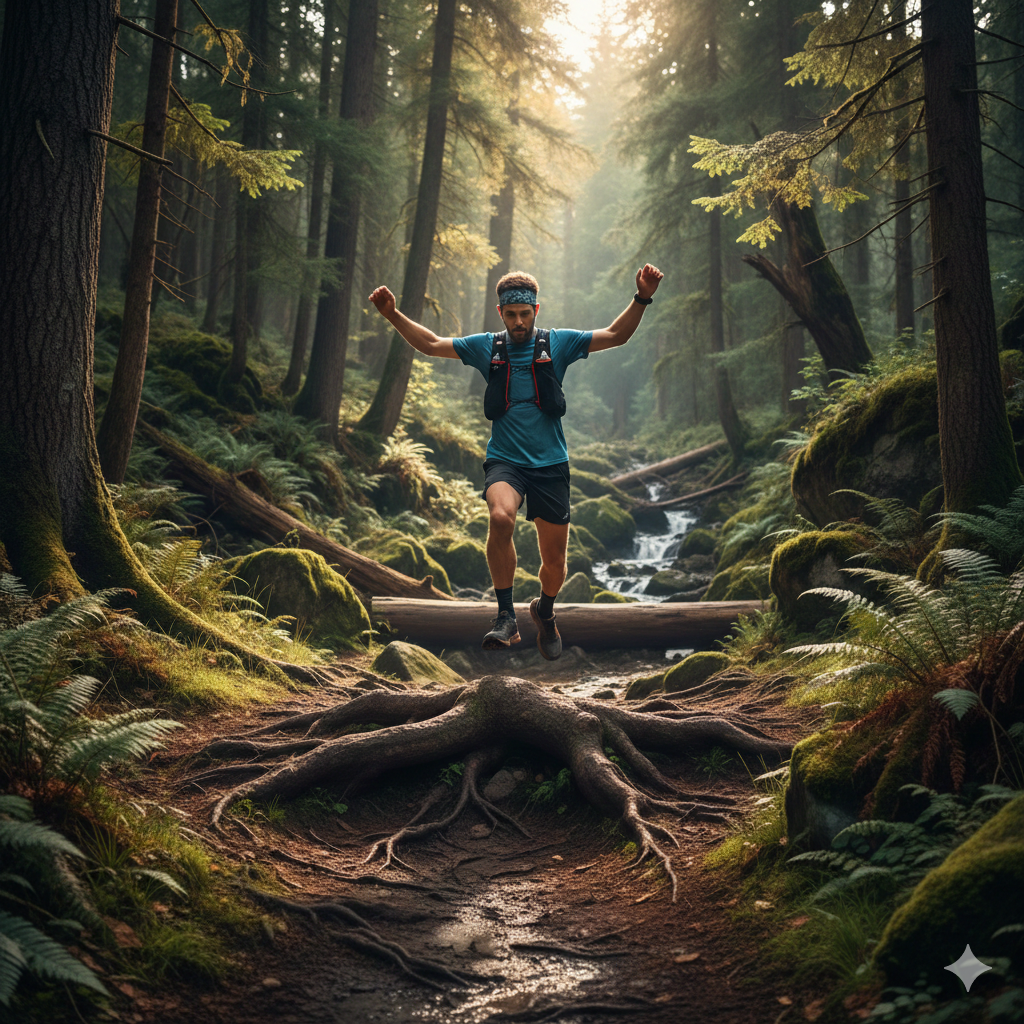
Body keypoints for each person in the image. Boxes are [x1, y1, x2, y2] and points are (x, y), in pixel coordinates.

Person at [368, 263, 664, 659]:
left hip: (551, 465)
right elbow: (432, 343)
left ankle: (544, 610)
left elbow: (615, 335)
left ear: (536, 311)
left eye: (525, 314)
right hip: (505, 461)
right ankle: (505, 616)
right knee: (500, 516)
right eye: (511, 315)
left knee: (555, 564)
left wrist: (642, 297)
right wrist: (392, 314)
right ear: (501, 313)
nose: (519, 321)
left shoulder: (557, 343)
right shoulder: (486, 347)